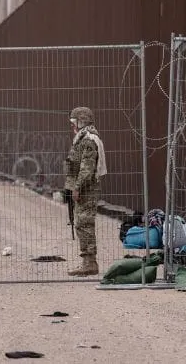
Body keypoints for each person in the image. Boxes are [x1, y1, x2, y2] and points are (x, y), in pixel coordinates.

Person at [65, 107, 107, 276]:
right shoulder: (83, 138)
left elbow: (86, 168)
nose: (72, 126)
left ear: (81, 121)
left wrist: (77, 187)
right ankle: (88, 261)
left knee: (84, 223)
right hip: (85, 187)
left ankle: (90, 263)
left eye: (74, 122)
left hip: (87, 189)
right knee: (82, 223)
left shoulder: (88, 140)